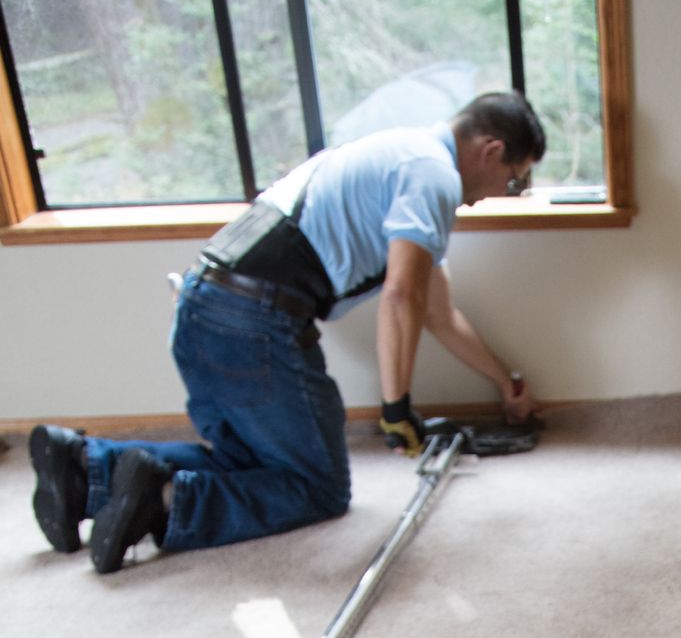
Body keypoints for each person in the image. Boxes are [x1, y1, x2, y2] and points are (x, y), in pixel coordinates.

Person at [28, 90, 545, 574]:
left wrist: (505, 382)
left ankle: (82, 468)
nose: (505, 193)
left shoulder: (400, 155)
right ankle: (165, 504)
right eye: (514, 179)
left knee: (253, 461)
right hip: (254, 324)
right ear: (491, 150)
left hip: (203, 307)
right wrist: (395, 409)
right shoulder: (434, 177)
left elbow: (437, 312)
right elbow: (401, 297)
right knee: (316, 487)